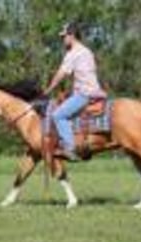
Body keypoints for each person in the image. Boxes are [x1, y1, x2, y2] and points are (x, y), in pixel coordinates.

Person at [43, 22, 107, 161]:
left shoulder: (73, 53)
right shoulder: (86, 51)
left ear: (72, 35)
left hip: (84, 94)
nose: (63, 39)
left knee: (58, 115)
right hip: (94, 91)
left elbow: (61, 74)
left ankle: (70, 148)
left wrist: (49, 89)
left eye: (64, 36)